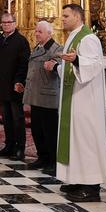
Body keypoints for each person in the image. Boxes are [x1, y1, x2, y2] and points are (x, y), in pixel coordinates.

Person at [57, 3, 106, 202]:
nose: (62, 19)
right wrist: (60, 65)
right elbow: (69, 67)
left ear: (77, 16)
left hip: (86, 100)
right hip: (74, 98)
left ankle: (91, 187)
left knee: (86, 140)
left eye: (66, 16)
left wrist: (75, 61)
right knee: (75, 140)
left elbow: (94, 66)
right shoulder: (73, 37)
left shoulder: (89, 38)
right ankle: (78, 178)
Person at [23, 21, 62, 175]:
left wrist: (54, 64)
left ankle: (53, 161)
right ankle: (42, 157)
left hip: (48, 96)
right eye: (36, 31)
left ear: (49, 33)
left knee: (50, 131)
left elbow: (59, 65)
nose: (36, 33)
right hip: (35, 95)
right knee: (37, 130)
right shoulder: (37, 48)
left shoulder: (57, 49)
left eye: (40, 31)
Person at [0, 13, 30, 160]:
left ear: (14, 23)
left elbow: (23, 64)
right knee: (6, 118)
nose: (6, 24)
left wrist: (19, 81)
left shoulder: (21, 41)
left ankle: (20, 148)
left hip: (14, 87)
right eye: (3, 22)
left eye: (9, 22)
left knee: (17, 118)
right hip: (1, 86)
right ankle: (9, 145)